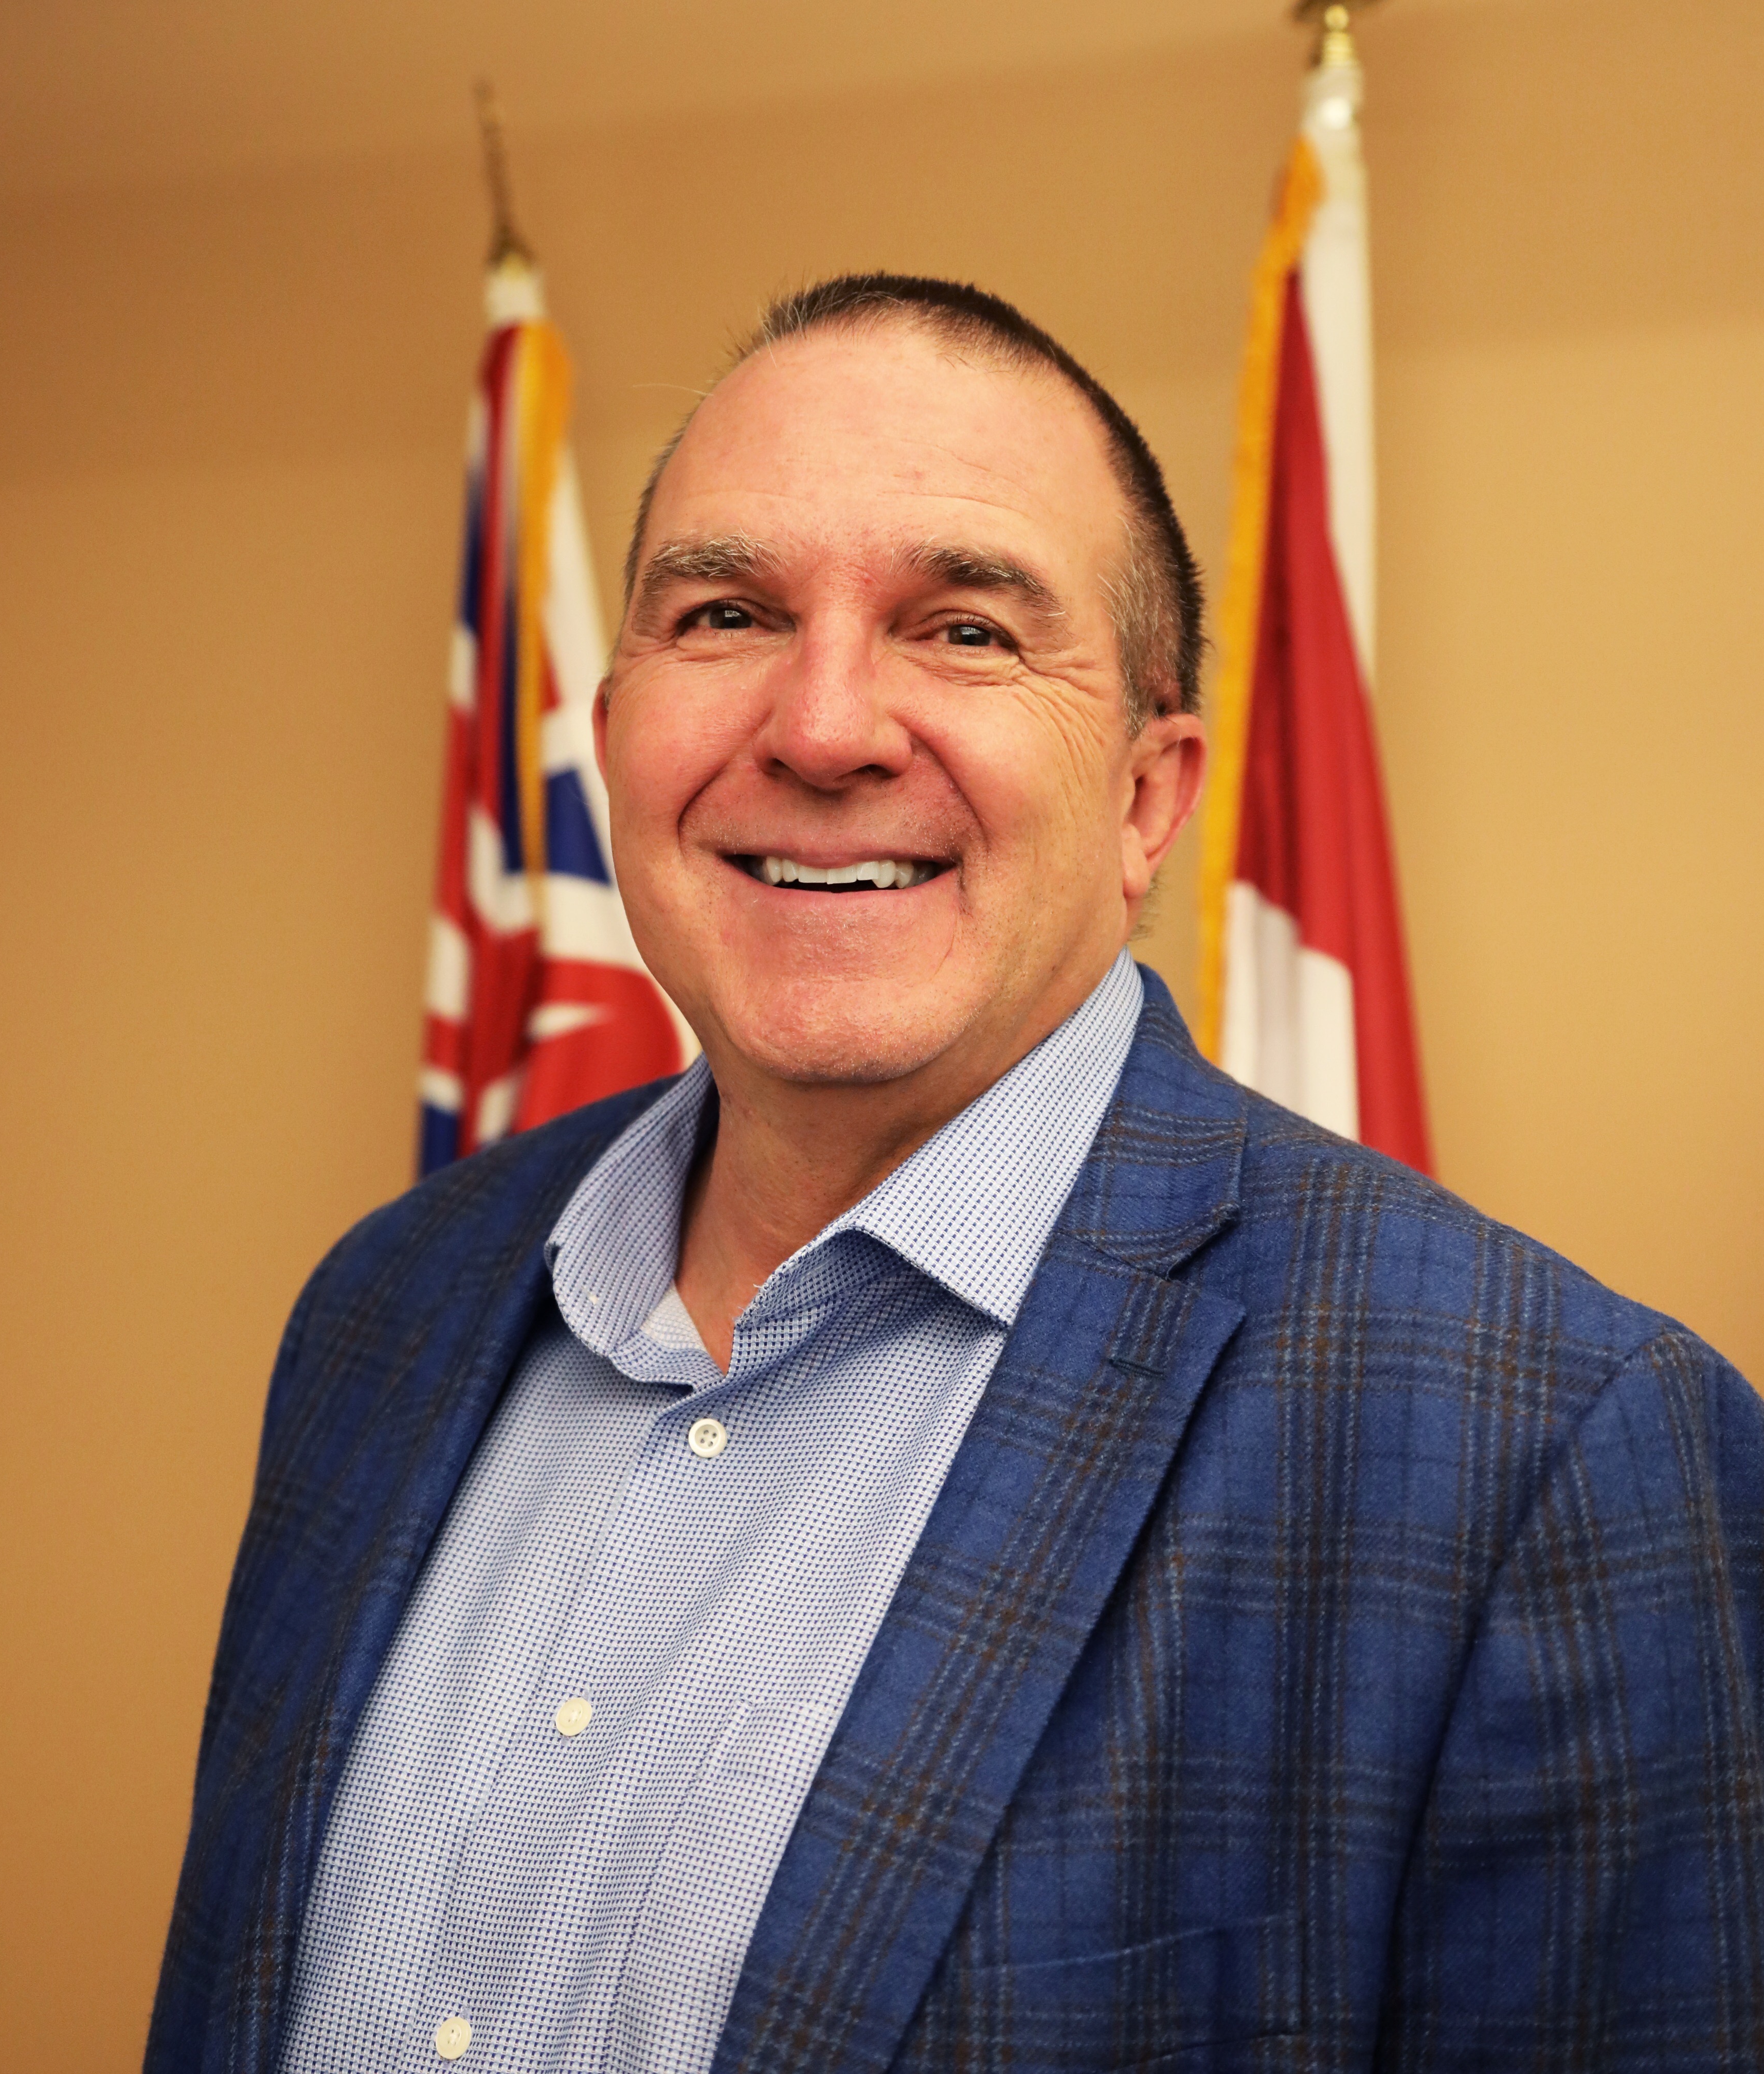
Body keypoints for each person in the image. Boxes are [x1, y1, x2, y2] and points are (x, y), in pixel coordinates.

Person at [147, 276, 1763, 2074]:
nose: (824, 725)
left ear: (1151, 798)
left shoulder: (1545, 1447)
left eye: (968, 631)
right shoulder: (387, 1309)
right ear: (612, 738)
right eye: (729, 612)